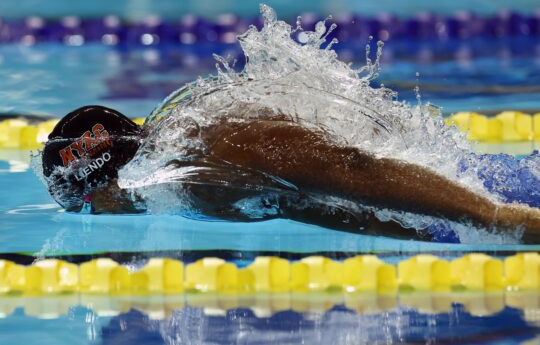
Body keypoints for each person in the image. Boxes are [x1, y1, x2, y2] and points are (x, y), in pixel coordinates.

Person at [41, 104, 540, 243]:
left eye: (86, 203)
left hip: (506, 189)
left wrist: (497, 217)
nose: (97, 213)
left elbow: (355, 169)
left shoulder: (218, 147)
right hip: (454, 206)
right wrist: (436, 235)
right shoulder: (196, 184)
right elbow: (302, 204)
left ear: (107, 187)